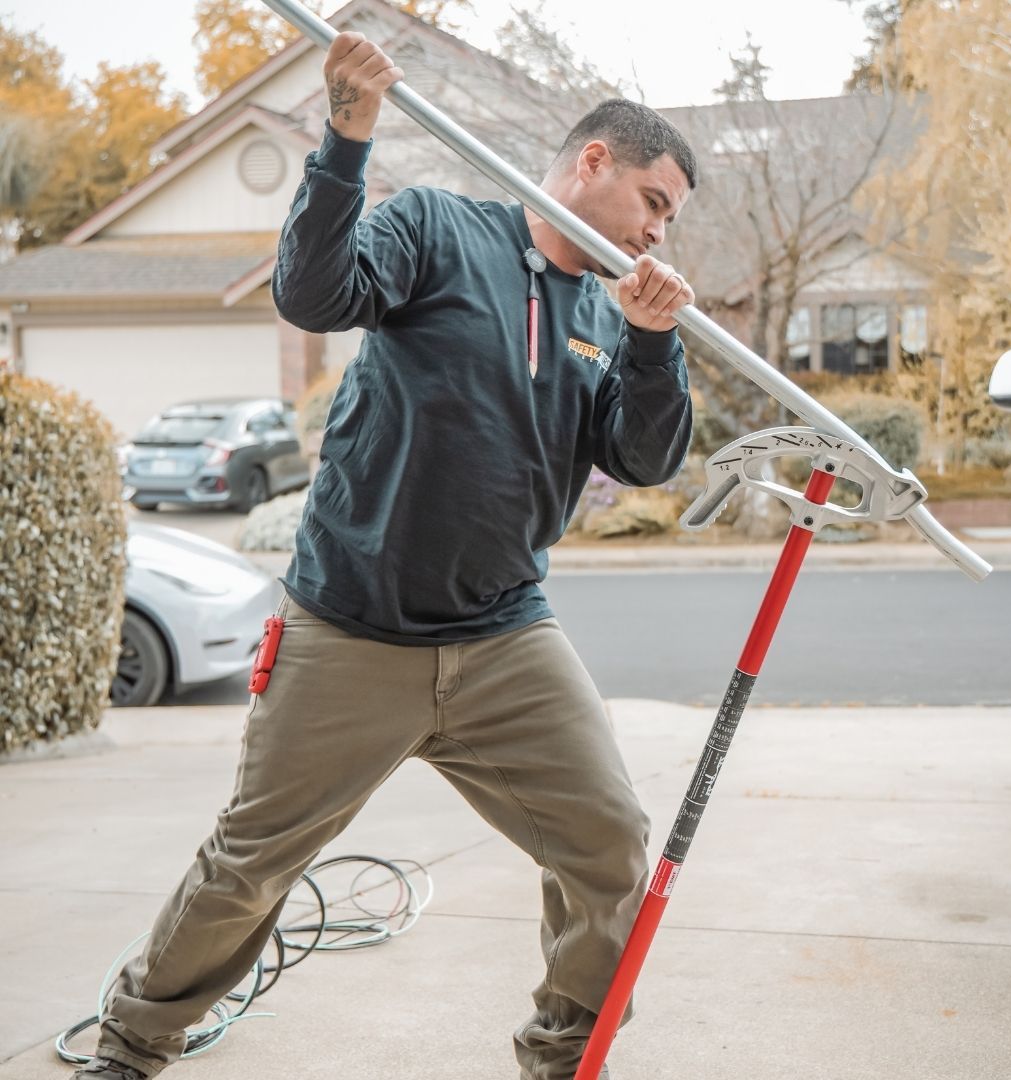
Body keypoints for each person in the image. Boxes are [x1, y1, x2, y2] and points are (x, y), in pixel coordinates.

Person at [76, 29, 697, 1080]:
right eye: (655, 201)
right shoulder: (438, 230)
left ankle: (562, 1056)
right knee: (247, 866)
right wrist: (348, 137)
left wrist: (650, 343)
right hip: (350, 630)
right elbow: (313, 297)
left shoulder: (603, 311)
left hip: (505, 634)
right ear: (592, 162)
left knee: (610, 849)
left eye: (667, 219)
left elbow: (643, 458)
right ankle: (132, 1045)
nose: (657, 230)